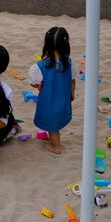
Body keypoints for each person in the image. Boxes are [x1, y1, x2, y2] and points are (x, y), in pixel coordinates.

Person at [30, 26, 74, 154]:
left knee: (52, 125)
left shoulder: (40, 66)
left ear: (46, 44)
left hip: (49, 101)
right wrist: (71, 93)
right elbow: (72, 81)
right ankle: (53, 141)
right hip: (63, 100)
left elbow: (34, 83)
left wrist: (37, 85)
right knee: (55, 122)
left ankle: (55, 147)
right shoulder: (70, 64)